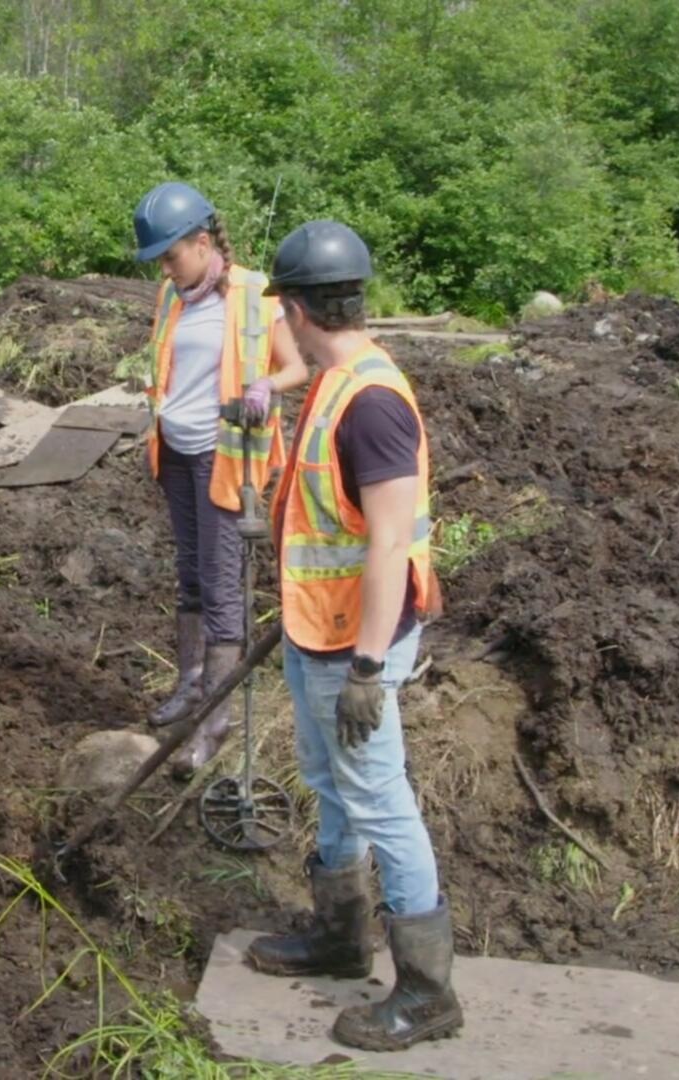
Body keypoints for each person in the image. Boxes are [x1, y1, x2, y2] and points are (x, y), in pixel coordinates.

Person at [243, 220, 462, 1051]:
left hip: (355, 645)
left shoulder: (370, 401)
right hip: (316, 629)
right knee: (328, 780)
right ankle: (340, 938)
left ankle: (428, 992)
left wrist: (370, 665)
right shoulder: (332, 384)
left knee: (381, 800)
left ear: (298, 309)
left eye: (281, 313)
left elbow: (387, 543)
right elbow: (325, 518)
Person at [130, 182, 308, 775]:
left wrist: (266, 387)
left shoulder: (257, 295)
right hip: (175, 452)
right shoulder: (173, 295)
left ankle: (215, 721)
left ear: (203, 243)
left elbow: (296, 367)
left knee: (223, 585)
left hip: (223, 456)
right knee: (190, 576)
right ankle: (190, 684)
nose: (165, 265)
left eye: (171, 254)